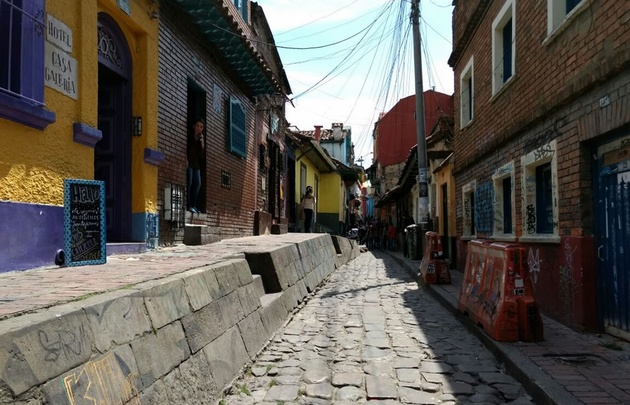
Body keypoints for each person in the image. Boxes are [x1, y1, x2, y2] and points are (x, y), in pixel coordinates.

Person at [187, 119, 205, 213]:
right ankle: (189, 205)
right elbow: (187, 148)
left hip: (196, 165)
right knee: (189, 184)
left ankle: (194, 205)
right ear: (194, 126)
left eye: (201, 127)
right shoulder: (189, 136)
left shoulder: (200, 138)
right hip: (189, 163)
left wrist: (202, 141)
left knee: (197, 184)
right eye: (197, 126)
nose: (199, 128)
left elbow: (202, 154)